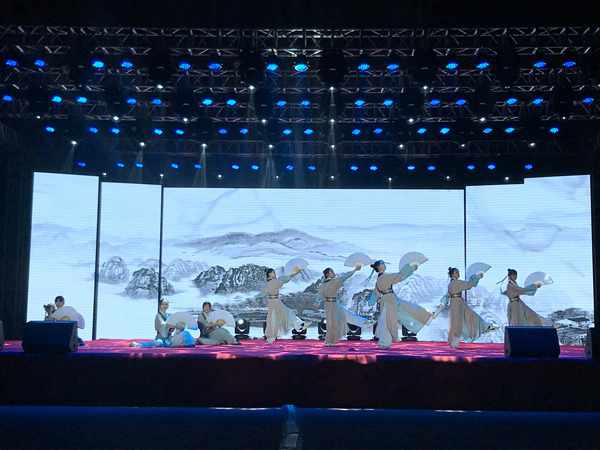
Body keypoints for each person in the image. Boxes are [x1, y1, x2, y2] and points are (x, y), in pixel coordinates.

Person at [371, 260, 432, 348]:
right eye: (383, 263)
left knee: (387, 321)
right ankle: (385, 342)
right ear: (379, 267)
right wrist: (410, 268)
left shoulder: (379, 279)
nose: (384, 265)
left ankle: (384, 342)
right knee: (395, 318)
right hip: (390, 300)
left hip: (386, 300)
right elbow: (399, 276)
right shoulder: (384, 277)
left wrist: (379, 300)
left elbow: (376, 294)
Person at [447, 267, 495, 348]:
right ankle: (456, 341)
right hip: (457, 303)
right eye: (456, 272)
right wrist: (477, 277)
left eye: (458, 272)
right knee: (464, 319)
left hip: (455, 302)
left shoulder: (451, 283)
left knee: (461, 320)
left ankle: (455, 342)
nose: (458, 273)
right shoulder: (456, 282)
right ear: (452, 274)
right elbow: (469, 285)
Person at [319, 264, 365, 346]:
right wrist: (354, 270)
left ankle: (331, 340)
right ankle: (330, 340)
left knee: (334, 321)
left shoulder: (331, 282)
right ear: (328, 274)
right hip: (329, 304)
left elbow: (345, 276)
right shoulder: (327, 283)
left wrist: (354, 270)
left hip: (332, 304)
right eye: (332, 272)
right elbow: (321, 295)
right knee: (331, 322)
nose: (334, 273)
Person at [130, 298, 195, 348]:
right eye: (163, 304)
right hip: (161, 338)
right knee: (158, 343)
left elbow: (173, 324)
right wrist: (173, 325)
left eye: (166, 304)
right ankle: (139, 344)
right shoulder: (158, 316)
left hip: (169, 338)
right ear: (160, 305)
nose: (165, 306)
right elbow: (163, 325)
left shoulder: (168, 315)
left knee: (184, 334)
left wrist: (179, 324)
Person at [261, 266, 302, 343]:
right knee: (272, 318)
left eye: (274, 272)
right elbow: (284, 280)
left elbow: (285, 279)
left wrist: (294, 274)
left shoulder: (273, 282)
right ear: (269, 274)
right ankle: (270, 335)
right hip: (272, 302)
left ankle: (271, 335)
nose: (274, 274)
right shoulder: (272, 282)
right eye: (272, 273)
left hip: (275, 301)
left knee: (275, 317)